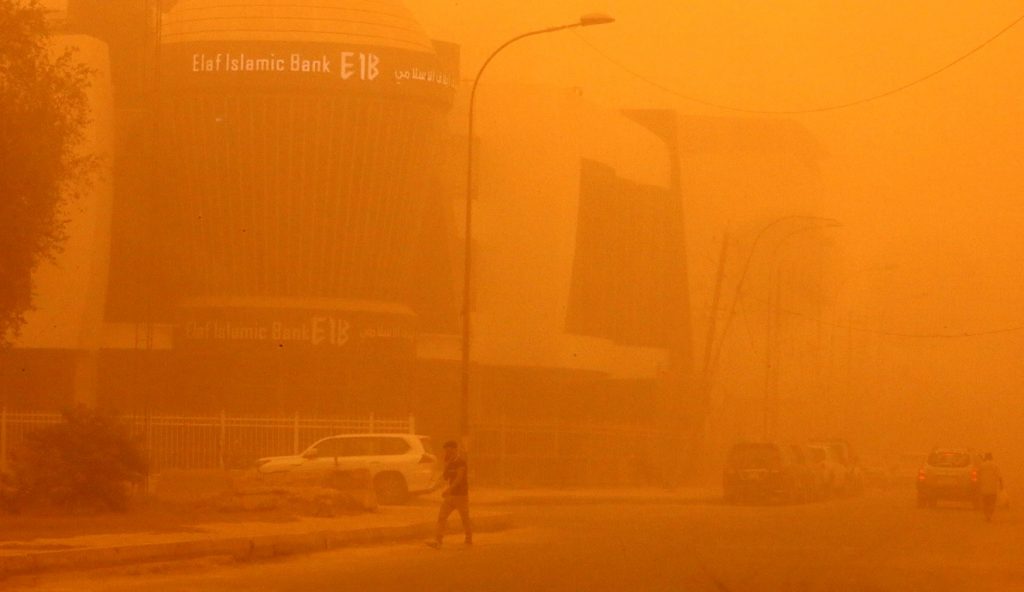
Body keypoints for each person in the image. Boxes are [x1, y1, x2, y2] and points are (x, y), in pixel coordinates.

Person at [427, 440, 472, 548]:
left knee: (464, 518)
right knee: (442, 517)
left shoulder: (460, 462)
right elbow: (445, 477)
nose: (447, 452)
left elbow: (459, 478)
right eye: (446, 450)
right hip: (450, 496)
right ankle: (438, 540)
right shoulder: (448, 461)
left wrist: (449, 489)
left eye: (449, 450)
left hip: (461, 496)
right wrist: (433, 487)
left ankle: (468, 537)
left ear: (455, 449)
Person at [977, 452, 1003, 522]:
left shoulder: (981, 465)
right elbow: (999, 476)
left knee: (985, 502)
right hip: (992, 488)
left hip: (984, 487)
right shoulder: (995, 466)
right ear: (991, 457)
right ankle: (990, 514)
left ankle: (987, 515)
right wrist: (1001, 485)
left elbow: (978, 475)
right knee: (992, 502)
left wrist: (977, 484)